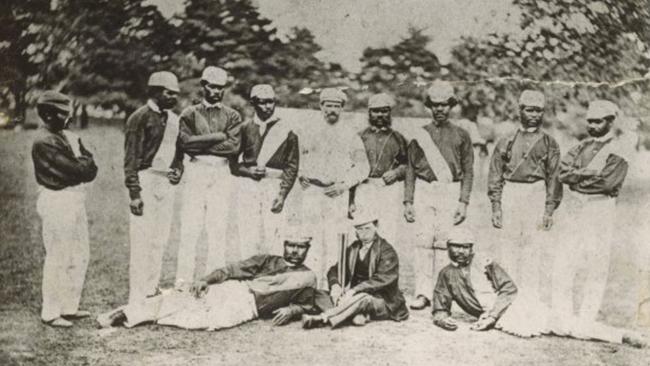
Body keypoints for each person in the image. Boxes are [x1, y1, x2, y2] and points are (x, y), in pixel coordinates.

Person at [432, 228, 648, 348]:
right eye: (456, 246)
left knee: (564, 325)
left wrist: (492, 316)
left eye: (465, 246)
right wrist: (442, 319)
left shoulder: (485, 262)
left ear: (472, 248)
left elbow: (509, 289)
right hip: (496, 317)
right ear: (448, 248)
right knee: (561, 328)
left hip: (511, 307)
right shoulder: (446, 274)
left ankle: (621, 336)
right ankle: (619, 335)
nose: (461, 251)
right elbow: (440, 304)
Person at [97, 234, 326, 330]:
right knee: (186, 298)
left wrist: (292, 309)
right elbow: (230, 270)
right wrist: (206, 280)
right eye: (291, 245)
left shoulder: (307, 276)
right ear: (284, 244)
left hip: (249, 308)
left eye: (301, 247)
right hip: (236, 291)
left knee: (204, 322)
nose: (295, 251)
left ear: (307, 249)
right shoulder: (268, 260)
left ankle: (160, 302)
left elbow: (308, 303)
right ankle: (125, 314)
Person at [552, 100, 631, 327]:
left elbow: (606, 183)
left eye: (598, 121)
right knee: (566, 257)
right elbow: (563, 172)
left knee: (596, 261)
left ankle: (586, 318)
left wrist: (577, 179)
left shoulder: (619, 148)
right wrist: (585, 175)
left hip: (600, 207)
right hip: (576, 208)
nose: (593, 126)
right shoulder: (581, 146)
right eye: (590, 121)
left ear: (610, 122)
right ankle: (563, 315)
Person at [487, 89, 562, 305]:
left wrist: (549, 209)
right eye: (530, 110)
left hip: (535, 193)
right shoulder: (507, 140)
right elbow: (495, 173)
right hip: (511, 192)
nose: (535, 115)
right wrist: (496, 206)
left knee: (533, 246)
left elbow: (554, 178)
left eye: (539, 110)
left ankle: (529, 299)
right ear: (520, 110)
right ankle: (507, 296)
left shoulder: (549, 142)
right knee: (508, 245)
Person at [404, 80, 474, 310]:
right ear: (430, 106)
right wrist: (408, 200)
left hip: (449, 190)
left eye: (444, 105)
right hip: (425, 188)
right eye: (435, 105)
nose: (440, 109)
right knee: (423, 242)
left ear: (451, 106)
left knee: (445, 243)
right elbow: (411, 168)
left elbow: (468, 170)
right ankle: (423, 292)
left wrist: (463, 202)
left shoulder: (462, 135)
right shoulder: (420, 135)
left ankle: (442, 292)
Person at [32, 90, 98, 327]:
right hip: (57, 198)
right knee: (58, 254)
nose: (68, 117)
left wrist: (83, 165)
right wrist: (82, 164)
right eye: (62, 114)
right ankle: (50, 311)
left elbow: (92, 168)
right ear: (48, 115)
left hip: (75, 198)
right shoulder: (44, 141)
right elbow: (79, 170)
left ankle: (69, 305)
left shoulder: (67, 136)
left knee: (80, 253)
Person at [175, 66, 243, 288]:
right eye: (212, 86)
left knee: (217, 227)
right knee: (190, 227)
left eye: (220, 88)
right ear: (204, 86)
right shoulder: (189, 113)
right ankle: (183, 282)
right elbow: (185, 144)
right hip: (197, 170)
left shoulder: (232, 115)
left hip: (221, 171)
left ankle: (213, 282)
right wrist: (218, 137)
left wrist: (202, 143)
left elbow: (233, 147)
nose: (216, 91)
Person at [298, 88, 369, 287]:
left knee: (334, 239)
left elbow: (363, 166)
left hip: (336, 193)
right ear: (321, 106)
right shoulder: (309, 130)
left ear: (342, 108)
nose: (332, 110)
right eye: (328, 105)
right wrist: (300, 175)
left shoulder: (350, 134)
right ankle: (310, 284)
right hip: (312, 191)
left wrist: (344, 185)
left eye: (336, 106)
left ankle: (334, 286)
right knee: (310, 236)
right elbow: (298, 158)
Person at [123, 71, 183, 303]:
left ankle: (151, 288)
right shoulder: (139, 118)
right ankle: (137, 294)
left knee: (160, 238)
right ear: (156, 92)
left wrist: (178, 170)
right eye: (169, 93)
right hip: (145, 180)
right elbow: (131, 160)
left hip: (166, 182)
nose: (173, 97)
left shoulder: (174, 120)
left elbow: (179, 152)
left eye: (175, 94)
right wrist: (135, 193)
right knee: (141, 240)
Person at [301, 212, 409, 329]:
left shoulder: (386, 250)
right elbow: (336, 269)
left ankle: (323, 318)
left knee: (363, 298)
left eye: (367, 228)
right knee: (318, 293)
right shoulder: (354, 248)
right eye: (359, 229)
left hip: (383, 301)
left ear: (376, 227)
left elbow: (382, 279)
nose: (363, 233)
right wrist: (335, 286)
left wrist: (353, 291)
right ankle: (351, 314)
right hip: (352, 297)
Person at [232, 84, 299, 259]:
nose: (268, 107)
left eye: (271, 102)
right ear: (253, 103)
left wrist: (283, 194)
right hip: (248, 185)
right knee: (248, 232)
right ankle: (247, 273)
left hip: (274, 185)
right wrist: (248, 172)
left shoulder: (288, 130)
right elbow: (232, 163)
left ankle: (273, 276)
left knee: (275, 232)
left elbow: (292, 166)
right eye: (262, 102)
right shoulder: (245, 128)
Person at [350, 93, 408, 245]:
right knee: (363, 229)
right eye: (376, 111)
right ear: (369, 113)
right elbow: (349, 168)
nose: (380, 115)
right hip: (363, 189)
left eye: (384, 111)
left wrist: (397, 173)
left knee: (388, 230)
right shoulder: (359, 137)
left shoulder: (398, 138)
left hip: (388, 189)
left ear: (390, 113)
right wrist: (350, 200)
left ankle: (385, 266)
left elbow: (410, 164)